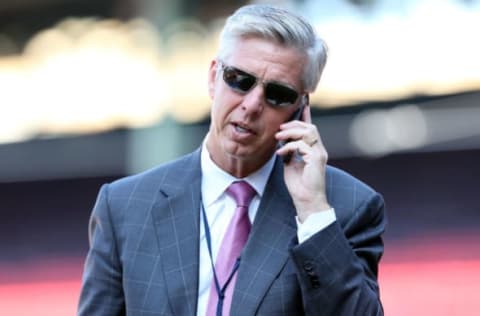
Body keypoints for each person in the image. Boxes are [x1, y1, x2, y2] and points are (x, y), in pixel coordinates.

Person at [78, 4, 386, 316]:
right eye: (239, 79)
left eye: (278, 94)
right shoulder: (123, 206)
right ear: (213, 77)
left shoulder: (346, 208)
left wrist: (313, 211)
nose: (252, 105)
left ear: (300, 109)